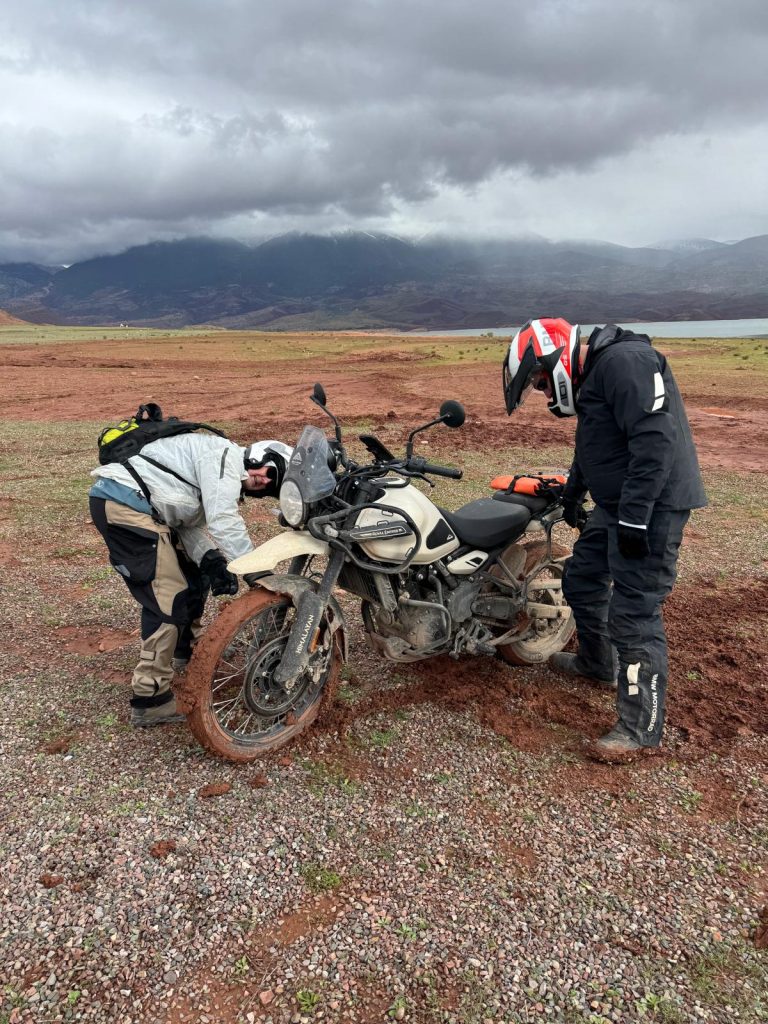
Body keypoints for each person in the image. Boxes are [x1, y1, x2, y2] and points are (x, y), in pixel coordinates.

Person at [503, 318, 707, 756]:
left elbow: (655, 440)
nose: (544, 393)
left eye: (540, 383)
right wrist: (574, 493)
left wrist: (635, 519)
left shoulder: (625, 362)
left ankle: (640, 728)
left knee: (634, 612)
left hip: (653, 508)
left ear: (553, 359)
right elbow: (592, 444)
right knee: (581, 579)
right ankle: (598, 664)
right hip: (620, 506)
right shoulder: (596, 372)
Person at [89, 430, 292, 727]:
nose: (264, 479)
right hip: (125, 506)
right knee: (168, 597)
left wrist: (210, 558)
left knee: (194, 576)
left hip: (141, 507)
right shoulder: (225, 457)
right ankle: (150, 699)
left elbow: (181, 518)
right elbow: (223, 519)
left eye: (272, 484)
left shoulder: (222, 468)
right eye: (269, 470)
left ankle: (187, 650)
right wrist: (257, 570)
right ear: (259, 455)